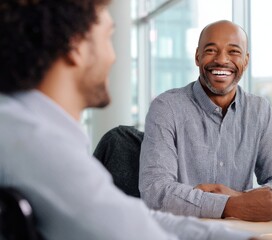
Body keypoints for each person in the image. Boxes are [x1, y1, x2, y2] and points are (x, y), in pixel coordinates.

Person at [0, 2, 257, 240]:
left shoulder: (20, 127)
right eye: (108, 38)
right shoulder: (42, 148)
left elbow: (130, 218)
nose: (113, 57)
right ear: (76, 46)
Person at [139, 20, 272, 222]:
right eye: (211, 50)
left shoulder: (259, 110)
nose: (222, 60)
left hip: (242, 233)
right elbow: (155, 190)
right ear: (197, 57)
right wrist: (232, 206)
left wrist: (242, 199)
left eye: (233, 52)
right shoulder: (166, 107)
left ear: (245, 60)